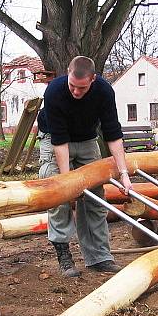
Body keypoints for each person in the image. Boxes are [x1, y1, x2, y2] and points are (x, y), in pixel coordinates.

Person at [37, 56, 133, 277]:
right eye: (72, 85)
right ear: (68, 74)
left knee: (95, 198)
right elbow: (59, 141)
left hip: (87, 139)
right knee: (59, 196)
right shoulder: (54, 91)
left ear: (93, 79)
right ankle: (64, 254)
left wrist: (124, 174)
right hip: (55, 138)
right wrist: (68, 183)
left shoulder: (104, 92)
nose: (76, 92)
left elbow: (113, 134)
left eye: (81, 87)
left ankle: (99, 257)